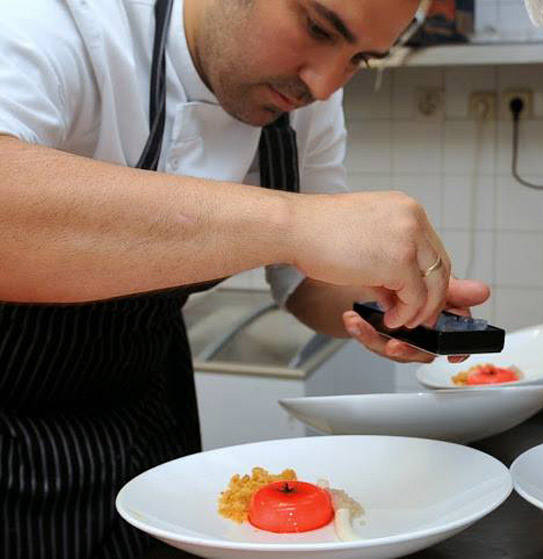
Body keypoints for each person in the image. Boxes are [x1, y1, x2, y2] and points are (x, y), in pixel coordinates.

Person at [0, 1, 490, 557]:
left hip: (148, 404)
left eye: (361, 60)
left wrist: (386, 299)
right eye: (317, 28)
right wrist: (293, 221)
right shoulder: (60, 20)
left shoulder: (300, 102)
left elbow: (308, 282)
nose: (325, 85)